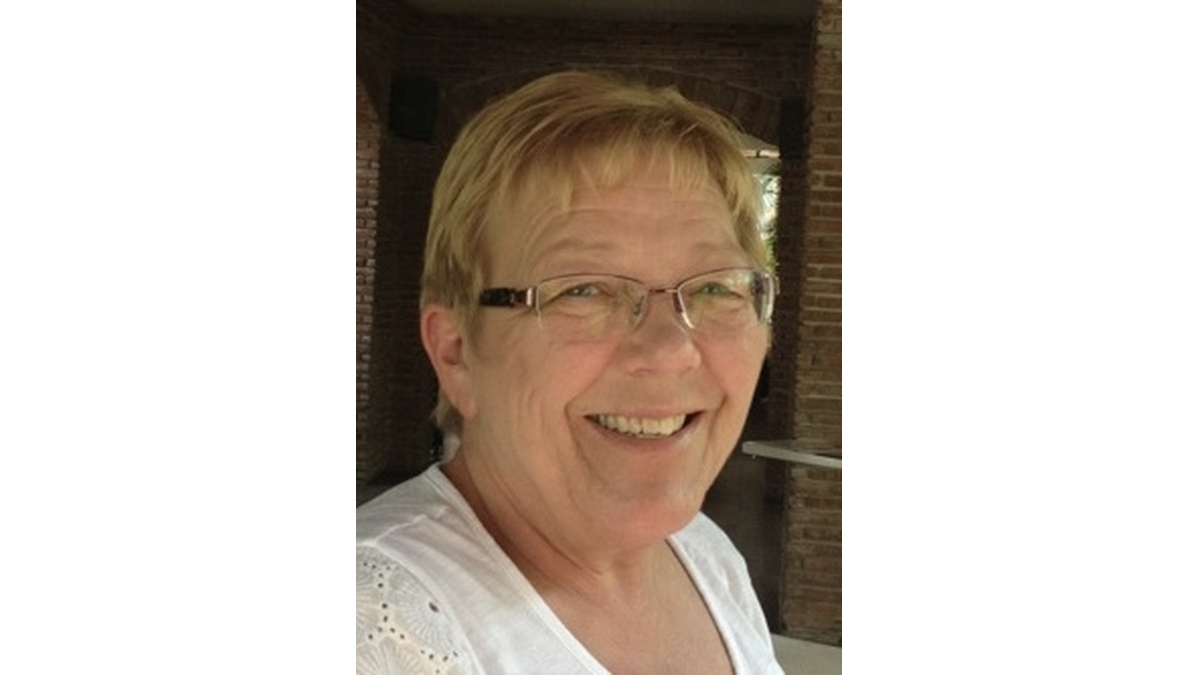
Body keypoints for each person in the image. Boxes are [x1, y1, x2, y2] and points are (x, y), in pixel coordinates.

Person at [356, 70, 783, 674]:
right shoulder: (374, 627)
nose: (669, 349)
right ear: (456, 351)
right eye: (583, 290)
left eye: (716, 287)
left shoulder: (704, 555)